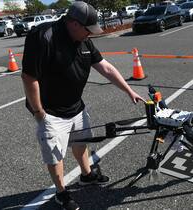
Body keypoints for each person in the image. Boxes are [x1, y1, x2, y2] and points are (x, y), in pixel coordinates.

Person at [21, 2, 145, 210]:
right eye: (88, 30)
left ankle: (87, 175)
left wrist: (129, 90)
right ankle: (61, 193)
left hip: (76, 106)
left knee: (81, 143)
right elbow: (28, 76)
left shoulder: (83, 40)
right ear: (74, 24)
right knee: (55, 155)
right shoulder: (43, 37)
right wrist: (38, 111)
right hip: (50, 112)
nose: (90, 35)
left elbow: (104, 67)